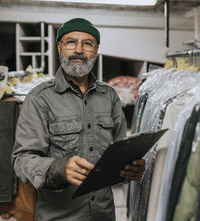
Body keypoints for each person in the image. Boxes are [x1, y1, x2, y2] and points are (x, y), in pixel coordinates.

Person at [12, 18, 145, 221]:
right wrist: (59, 168)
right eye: (71, 42)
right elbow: (22, 160)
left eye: (87, 43)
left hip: (104, 215)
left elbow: (119, 152)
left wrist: (130, 167)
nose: (79, 50)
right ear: (60, 47)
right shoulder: (39, 99)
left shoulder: (109, 96)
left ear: (96, 50)